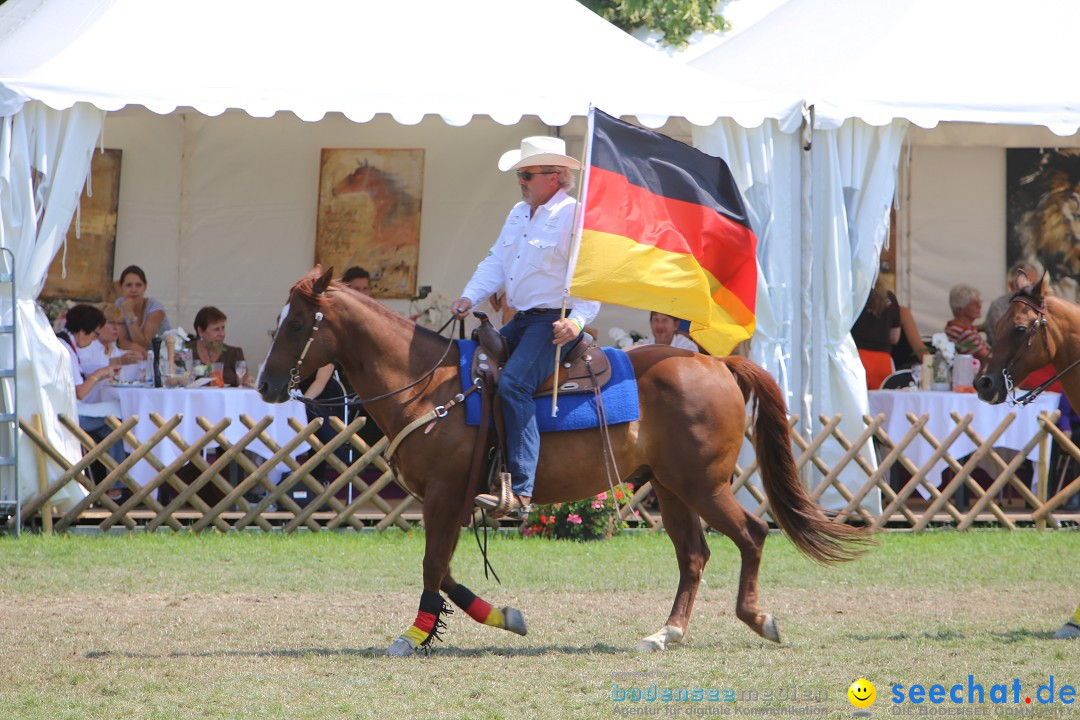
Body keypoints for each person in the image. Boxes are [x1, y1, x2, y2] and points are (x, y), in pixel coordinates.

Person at [451, 136, 600, 517]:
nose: (521, 180)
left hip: (553, 320)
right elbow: (496, 262)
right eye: (520, 173)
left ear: (555, 176)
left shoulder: (573, 214)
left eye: (527, 173)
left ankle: (520, 491)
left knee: (514, 384)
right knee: (473, 367)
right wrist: (469, 296)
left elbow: (591, 275)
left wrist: (577, 321)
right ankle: (483, 468)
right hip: (523, 319)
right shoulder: (518, 213)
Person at [58, 304, 123, 495]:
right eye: (94, 334)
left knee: (112, 426)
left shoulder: (65, 344)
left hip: (67, 409)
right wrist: (100, 374)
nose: (95, 339)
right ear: (83, 331)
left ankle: (114, 485)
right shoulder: (65, 351)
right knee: (118, 421)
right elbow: (80, 392)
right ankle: (117, 486)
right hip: (69, 413)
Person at [851, 275, 901, 389]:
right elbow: (895, 337)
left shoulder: (855, 295)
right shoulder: (890, 298)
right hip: (882, 361)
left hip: (858, 358)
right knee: (882, 403)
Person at [186, 306, 251, 387]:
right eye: (216, 329)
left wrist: (246, 380)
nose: (222, 334)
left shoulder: (234, 354)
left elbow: (243, 381)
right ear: (200, 331)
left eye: (223, 328)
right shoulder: (185, 352)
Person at [984, 260, 1041, 346]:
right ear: (1012, 285)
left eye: (1035, 284)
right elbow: (1004, 337)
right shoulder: (999, 305)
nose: (1032, 289)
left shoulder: (1041, 304)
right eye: (1026, 284)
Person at [115, 265, 170, 352]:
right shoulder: (119, 304)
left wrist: (130, 314)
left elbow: (144, 342)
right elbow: (122, 341)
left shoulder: (155, 308)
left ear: (145, 287)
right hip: (135, 356)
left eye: (138, 285)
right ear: (121, 287)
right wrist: (134, 347)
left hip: (160, 358)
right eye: (129, 285)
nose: (134, 290)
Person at [944, 284, 990, 365]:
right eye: (973, 304)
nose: (979, 306)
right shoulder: (963, 332)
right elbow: (988, 357)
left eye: (979, 302)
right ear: (959, 310)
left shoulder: (953, 327)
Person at [890, 305, 930, 371]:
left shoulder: (901, 312)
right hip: (902, 368)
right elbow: (920, 350)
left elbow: (921, 351)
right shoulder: (901, 312)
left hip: (904, 368)